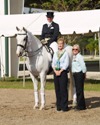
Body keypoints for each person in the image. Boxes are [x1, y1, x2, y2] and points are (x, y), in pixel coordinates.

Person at [52, 38, 69, 112]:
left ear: (63, 44)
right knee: (57, 89)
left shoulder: (65, 53)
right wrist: (55, 71)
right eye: (59, 44)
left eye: (61, 44)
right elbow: (53, 63)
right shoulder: (55, 53)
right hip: (56, 72)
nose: (60, 45)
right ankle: (58, 106)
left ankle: (64, 106)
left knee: (63, 89)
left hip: (63, 72)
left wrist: (61, 71)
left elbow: (66, 63)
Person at [72, 44, 86, 111]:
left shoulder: (79, 57)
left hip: (79, 74)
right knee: (79, 90)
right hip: (75, 74)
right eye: (73, 49)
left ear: (78, 50)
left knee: (79, 90)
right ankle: (82, 105)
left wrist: (84, 73)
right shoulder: (74, 57)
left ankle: (80, 106)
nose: (74, 50)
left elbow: (83, 66)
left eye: (76, 49)